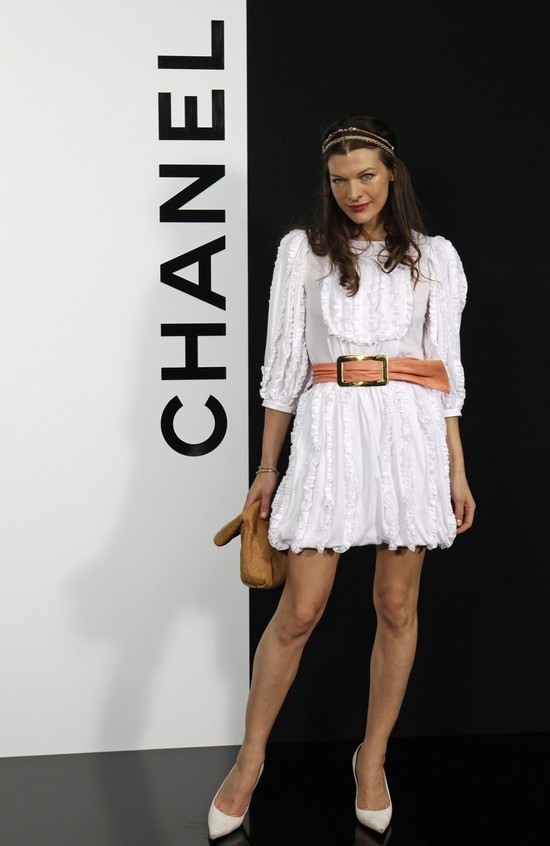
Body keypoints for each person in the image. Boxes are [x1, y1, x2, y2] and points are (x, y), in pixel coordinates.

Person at [208, 115, 475, 839]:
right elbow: (283, 373)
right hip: (330, 430)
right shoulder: (304, 252)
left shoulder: (433, 258)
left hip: (409, 434)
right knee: (299, 611)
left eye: (366, 176)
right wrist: (267, 469)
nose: (354, 191)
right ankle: (249, 762)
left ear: (391, 175)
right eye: (339, 179)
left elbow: (445, 375)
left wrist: (457, 471)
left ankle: (372, 759)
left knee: (396, 605)